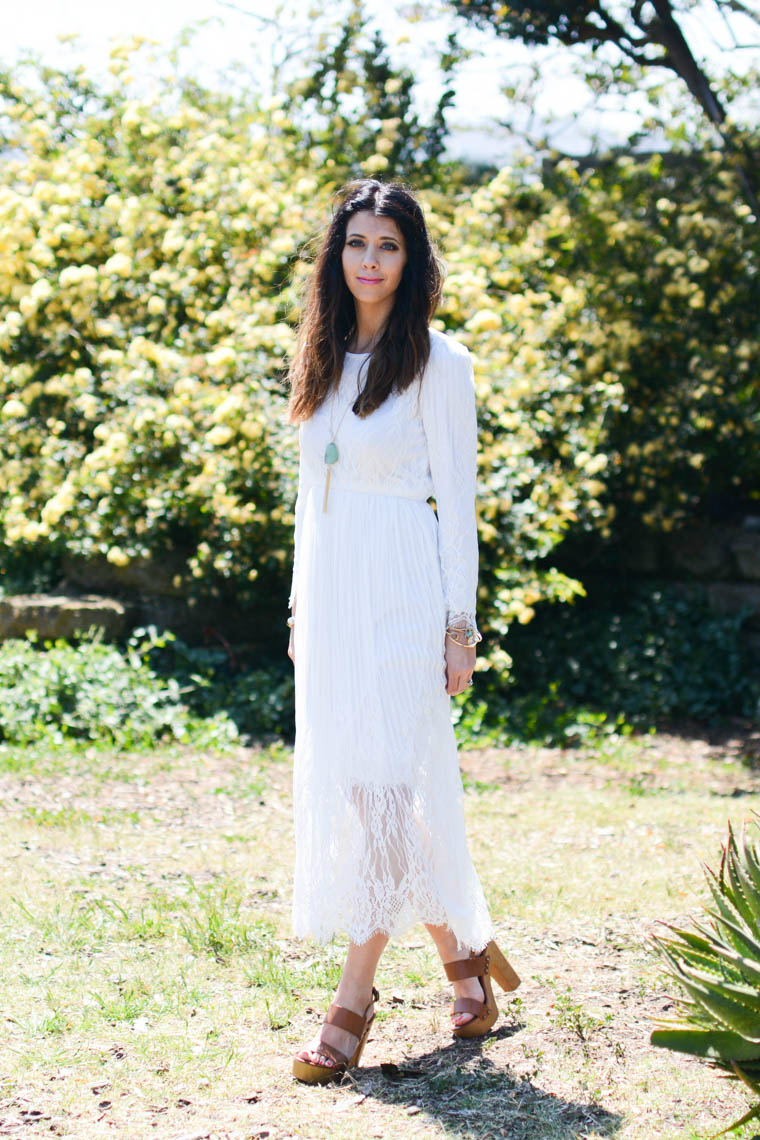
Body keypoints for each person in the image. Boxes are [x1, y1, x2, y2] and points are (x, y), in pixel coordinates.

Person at [284, 178, 520, 1085]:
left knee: (384, 791)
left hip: (403, 589)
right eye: (356, 245)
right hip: (337, 594)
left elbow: (456, 507)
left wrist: (460, 624)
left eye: (387, 246)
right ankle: (469, 958)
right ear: (336, 257)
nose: (370, 261)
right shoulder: (321, 351)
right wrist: (303, 604)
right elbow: (313, 492)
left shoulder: (442, 363)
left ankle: (352, 1003)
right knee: (367, 794)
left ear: (410, 259)